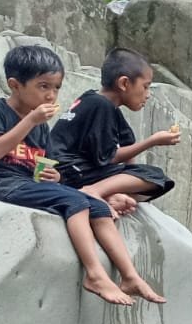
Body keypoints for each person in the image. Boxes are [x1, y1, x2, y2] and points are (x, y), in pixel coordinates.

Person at [0, 45, 164, 306]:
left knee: (96, 205)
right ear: (15, 85)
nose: (51, 96)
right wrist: (29, 121)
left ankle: (130, 276)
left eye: (56, 88)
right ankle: (95, 275)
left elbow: (42, 170)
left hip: (28, 184)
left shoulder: (40, 127)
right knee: (78, 202)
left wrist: (54, 178)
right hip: (2, 185)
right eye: (43, 87)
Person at [49, 47, 180, 217]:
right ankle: (92, 191)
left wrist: (130, 179)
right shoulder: (100, 105)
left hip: (74, 168)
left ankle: (112, 196)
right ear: (124, 83)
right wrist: (152, 141)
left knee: (148, 178)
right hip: (67, 170)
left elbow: (128, 144)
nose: (147, 95)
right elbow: (110, 157)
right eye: (145, 87)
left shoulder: (100, 101)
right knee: (155, 176)